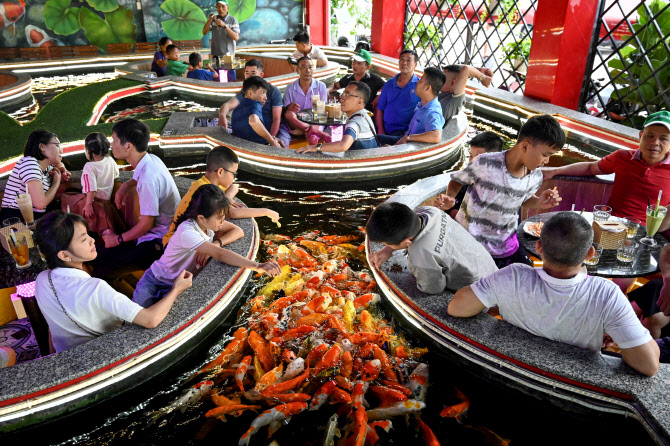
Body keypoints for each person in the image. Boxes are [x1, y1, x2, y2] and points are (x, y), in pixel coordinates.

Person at [448, 212, 660, 377]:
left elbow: (456, 307)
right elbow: (649, 364)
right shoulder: (606, 294)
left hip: (510, 369)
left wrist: (500, 297)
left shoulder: (513, 276)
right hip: (571, 385)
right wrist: (609, 327)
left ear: (538, 246)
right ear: (589, 254)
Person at [34, 211, 193, 353]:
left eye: (88, 235)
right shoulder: (95, 288)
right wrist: (177, 289)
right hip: (109, 355)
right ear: (64, 255)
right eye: (83, 240)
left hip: (66, 357)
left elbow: (52, 326)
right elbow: (150, 320)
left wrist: (53, 357)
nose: (92, 240)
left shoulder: (42, 280)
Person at [436, 114, 564, 268]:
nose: (547, 161)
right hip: (470, 243)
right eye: (545, 155)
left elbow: (521, 199)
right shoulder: (484, 163)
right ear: (525, 146)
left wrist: (539, 202)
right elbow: (457, 181)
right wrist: (450, 197)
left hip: (506, 246)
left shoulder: (535, 176)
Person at [134, 185, 281, 307]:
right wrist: (257, 266)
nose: (222, 222)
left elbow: (238, 231)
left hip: (177, 283)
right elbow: (220, 254)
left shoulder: (207, 224)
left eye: (224, 217)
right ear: (201, 218)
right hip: (155, 282)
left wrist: (215, 243)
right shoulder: (187, 231)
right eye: (220, 218)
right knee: (137, 320)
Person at [90, 119, 181, 282]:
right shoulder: (151, 159)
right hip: (154, 234)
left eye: (115, 140)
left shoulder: (147, 180)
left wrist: (116, 239)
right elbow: (138, 177)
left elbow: (147, 224)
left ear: (128, 146)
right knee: (98, 254)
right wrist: (125, 186)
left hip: (158, 243)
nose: (111, 144)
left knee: (101, 271)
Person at [543, 110, 670, 226]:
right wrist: (554, 171)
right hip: (611, 225)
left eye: (663, 139)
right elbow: (590, 168)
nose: (655, 143)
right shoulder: (623, 157)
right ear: (640, 136)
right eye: (650, 136)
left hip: (647, 234)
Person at [366, 202, 498, 294]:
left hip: (479, 291)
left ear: (407, 242)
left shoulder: (421, 256)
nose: (386, 246)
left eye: (386, 244)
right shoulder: (429, 211)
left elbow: (433, 288)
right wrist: (389, 249)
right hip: (490, 269)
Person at [162, 145, 280, 246]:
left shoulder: (210, 183)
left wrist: (227, 197)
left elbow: (235, 187)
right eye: (234, 174)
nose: (234, 178)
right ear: (220, 172)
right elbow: (232, 213)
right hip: (175, 243)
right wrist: (267, 212)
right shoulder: (204, 191)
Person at [0, 130, 71, 222]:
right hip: (16, 219)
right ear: (42, 147)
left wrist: (62, 168)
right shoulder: (29, 163)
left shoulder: (45, 166)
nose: (61, 150)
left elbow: (59, 163)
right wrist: (56, 182)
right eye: (57, 145)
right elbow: (40, 204)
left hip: (32, 217)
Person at [61, 132, 123, 234]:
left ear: (88, 151)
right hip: (106, 202)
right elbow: (116, 175)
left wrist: (88, 204)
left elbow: (91, 188)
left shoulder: (89, 167)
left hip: (93, 201)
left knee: (67, 199)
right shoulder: (110, 160)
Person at [218, 59, 289, 147]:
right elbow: (227, 105)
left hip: (274, 130)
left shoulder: (273, 91)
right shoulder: (247, 92)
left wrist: (271, 140)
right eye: (247, 73)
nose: (249, 76)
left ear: (261, 75)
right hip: (256, 134)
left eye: (253, 73)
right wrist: (222, 116)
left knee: (284, 145)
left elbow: (276, 119)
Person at [297, 82, 377, 154]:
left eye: (347, 95)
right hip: (367, 156)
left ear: (360, 101)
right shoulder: (365, 116)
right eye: (342, 94)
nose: (341, 99)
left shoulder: (355, 123)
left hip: (359, 162)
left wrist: (316, 147)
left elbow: (343, 145)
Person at [376, 67, 446, 146]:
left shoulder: (432, 112)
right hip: (403, 141)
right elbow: (406, 136)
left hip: (411, 146)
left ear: (428, 88)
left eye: (421, 81)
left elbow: (436, 136)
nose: (417, 82)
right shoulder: (421, 105)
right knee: (373, 139)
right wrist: (393, 147)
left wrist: (409, 138)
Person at [445, 131, 505, 218]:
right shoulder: (467, 178)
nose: (472, 162)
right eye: (470, 156)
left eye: (478, 158)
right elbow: (453, 208)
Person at [282, 56, 330, 145]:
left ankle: (307, 130)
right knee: (288, 114)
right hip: (297, 122)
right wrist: (289, 107)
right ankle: (310, 130)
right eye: (304, 67)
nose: (308, 71)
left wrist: (315, 125)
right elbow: (286, 112)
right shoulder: (290, 88)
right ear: (297, 70)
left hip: (316, 121)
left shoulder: (321, 86)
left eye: (310, 67)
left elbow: (323, 112)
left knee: (312, 137)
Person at [375, 49, 421, 137]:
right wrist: (380, 130)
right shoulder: (389, 83)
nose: (404, 63)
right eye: (402, 59)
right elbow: (380, 108)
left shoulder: (419, 85)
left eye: (408, 60)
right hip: (386, 130)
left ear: (415, 65)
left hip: (406, 133)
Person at [231, 77, 284, 147]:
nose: (265, 98)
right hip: (255, 147)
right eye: (262, 93)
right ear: (250, 93)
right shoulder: (255, 103)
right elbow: (253, 121)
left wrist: (272, 138)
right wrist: (272, 142)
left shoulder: (238, 108)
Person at [202, 0, 240, 78]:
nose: (220, 9)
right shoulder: (214, 19)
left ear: (228, 8)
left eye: (223, 6)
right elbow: (204, 32)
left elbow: (236, 37)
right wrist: (210, 20)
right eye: (218, 6)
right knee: (217, 79)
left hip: (228, 56)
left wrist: (225, 26)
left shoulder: (233, 20)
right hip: (216, 56)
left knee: (230, 79)